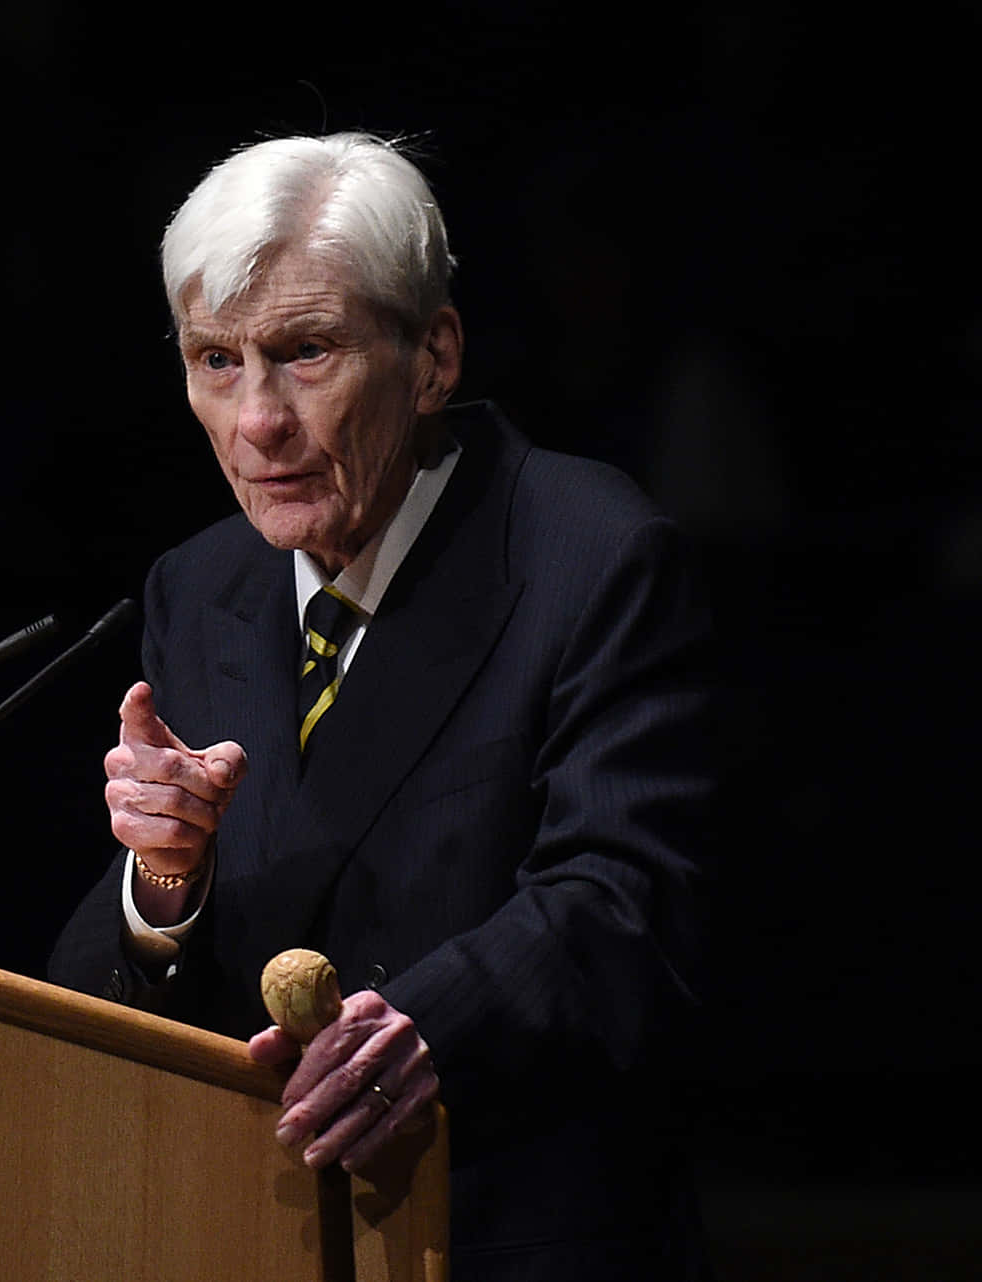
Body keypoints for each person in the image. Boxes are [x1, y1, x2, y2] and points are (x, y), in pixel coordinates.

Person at [48, 132, 716, 1280]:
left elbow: (621, 903)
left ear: (433, 355)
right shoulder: (200, 586)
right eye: (217, 360)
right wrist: (163, 883)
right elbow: (99, 990)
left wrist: (426, 1029)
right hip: (244, 1234)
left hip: (499, 1230)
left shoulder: (586, 552)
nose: (258, 420)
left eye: (305, 354)